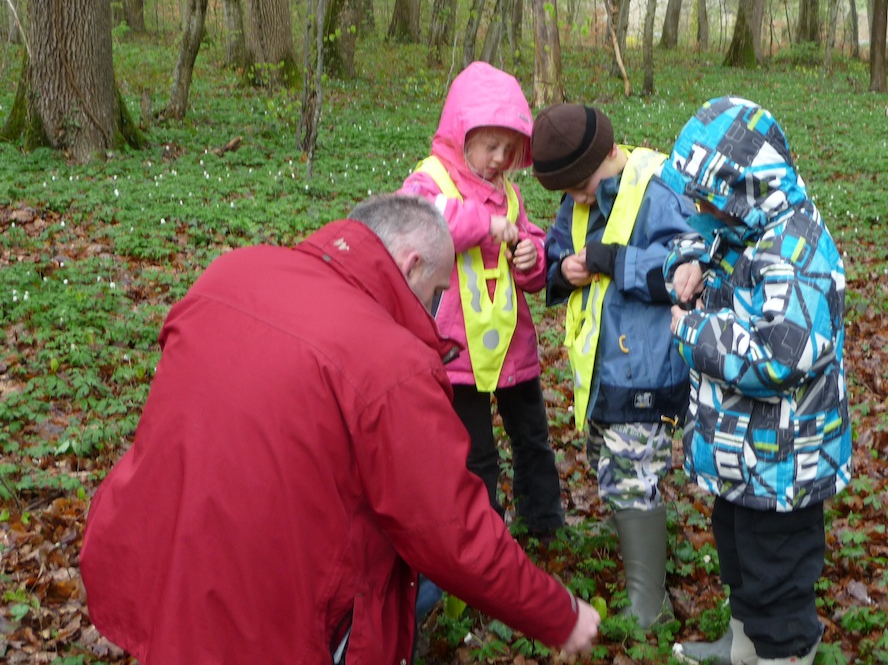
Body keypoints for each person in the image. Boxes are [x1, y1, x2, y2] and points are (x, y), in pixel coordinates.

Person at [79, 194, 600, 665]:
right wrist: (561, 615)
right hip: (277, 619)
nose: (436, 312)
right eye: (438, 291)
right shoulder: (390, 363)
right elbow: (454, 534)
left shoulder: (231, 272)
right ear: (410, 265)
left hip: (163, 563)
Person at [660, 97, 853, 665]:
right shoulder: (743, 223)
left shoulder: (799, 252)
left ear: (743, 186)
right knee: (740, 556)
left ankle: (784, 652)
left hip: (786, 461)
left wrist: (694, 332)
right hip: (743, 455)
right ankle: (744, 645)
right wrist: (687, 262)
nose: (700, 209)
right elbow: (705, 241)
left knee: (777, 573)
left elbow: (781, 357)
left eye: (709, 197)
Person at [531, 103, 696, 629]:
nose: (577, 197)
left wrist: (614, 260)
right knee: (613, 465)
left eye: (582, 184)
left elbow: (688, 267)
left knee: (630, 475)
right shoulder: (574, 201)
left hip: (649, 369)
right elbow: (557, 254)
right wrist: (562, 270)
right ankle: (638, 550)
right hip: (603, 373)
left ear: (610, 153)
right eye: (567, 190)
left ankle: (649, 608)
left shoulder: (657, 185)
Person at [399, 61, 565, 539]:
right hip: (457, 348)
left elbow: (532, 265)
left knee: (532, 437)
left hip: (511, 344)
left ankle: (545, 522)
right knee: (475, 452)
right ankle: (481, 535)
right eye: (490, 145)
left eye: (510, 149)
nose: (499, 158)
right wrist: (484, 224)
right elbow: (418, 226)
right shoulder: (430, 181)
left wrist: (531, 256)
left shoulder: (508, 194)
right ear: (460, 133)